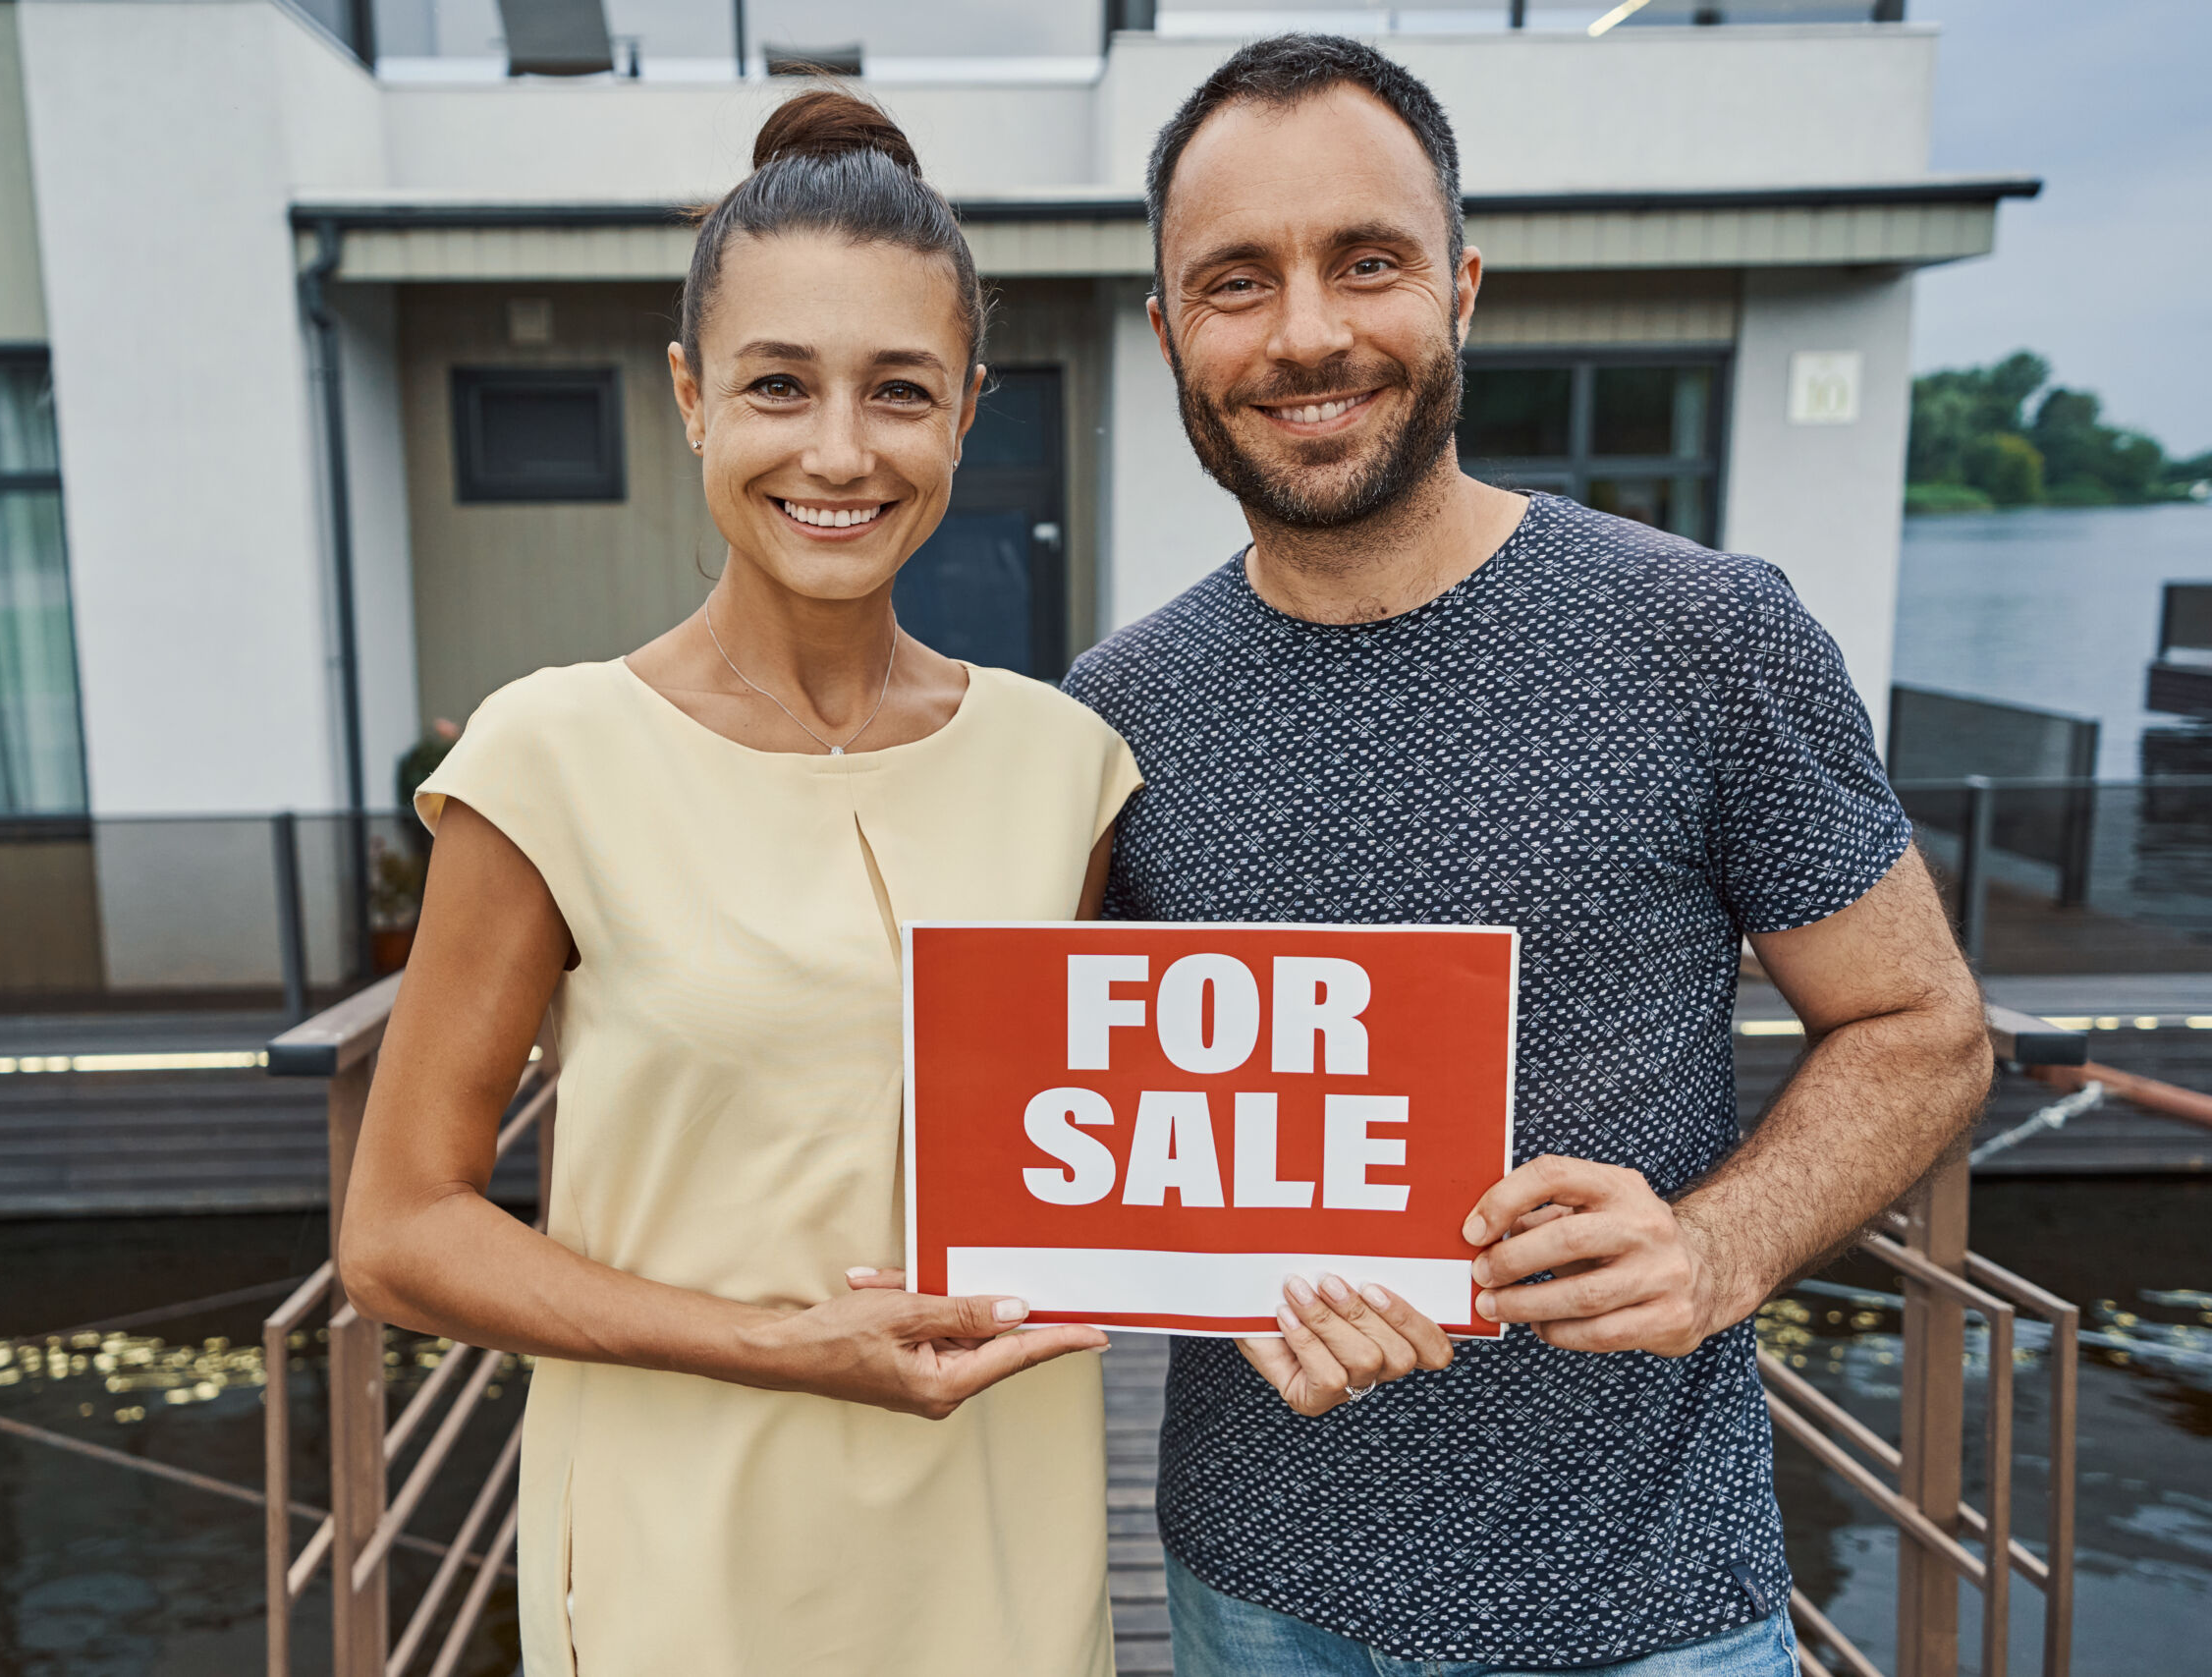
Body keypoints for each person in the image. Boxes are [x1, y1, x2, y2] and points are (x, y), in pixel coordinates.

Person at [1062, 34, 1992, 1677]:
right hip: (1251, 1591)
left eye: (1368, 262)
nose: (1309, 334)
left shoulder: (1706, 633)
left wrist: (1715, 1245)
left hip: (1641, 1608)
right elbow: (1075, 1125)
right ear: (1166, 334)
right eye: (1236, 281)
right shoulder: (1112, 718)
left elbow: (1925, 1029)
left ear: (1464, 287)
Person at [339, 90, 1145, 1677]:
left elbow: (1130, 1160)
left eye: (898, 392)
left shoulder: (1069, 766)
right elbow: (398, 1231)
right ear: (691, 398)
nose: (837, 452)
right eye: (780, 386)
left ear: (967, 413)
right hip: (681, 1573)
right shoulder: (550, 754)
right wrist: (785, 1349)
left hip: (1002, 1560)